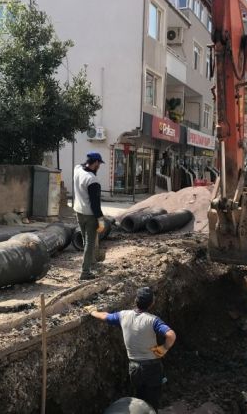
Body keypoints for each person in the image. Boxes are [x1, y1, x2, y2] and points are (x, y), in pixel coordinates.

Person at [89, 287, 177, 410]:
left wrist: (92, 312)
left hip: (134, 368)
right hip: (152, 367)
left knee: (139, 399)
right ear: (151, 303)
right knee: (153, 400)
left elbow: (105, 316)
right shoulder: (152, 320)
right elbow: (171, 335)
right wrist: (163, 349)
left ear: (135, 301)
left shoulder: (123, 315)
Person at [73, 152, 106, 280]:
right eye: (99, 164)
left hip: (78, 212)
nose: (99, 167)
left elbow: (82, 166)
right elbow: (95, 204)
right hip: (90, 215)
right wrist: (101, 219)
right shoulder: (92, 180)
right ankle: (85, 272)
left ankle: (90, 262)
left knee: (85, 240)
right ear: (96, 162)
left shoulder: (77, 169)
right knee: (89, 243)